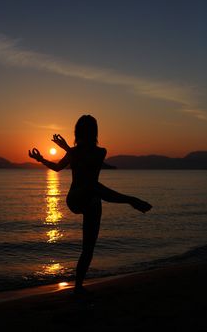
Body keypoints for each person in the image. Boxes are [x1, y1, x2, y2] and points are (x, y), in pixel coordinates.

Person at [29, 115, 152, 294]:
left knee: (88, 246)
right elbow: (58, 168)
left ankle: (78, 286)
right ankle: (130, 200)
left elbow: (87, 167)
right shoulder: (74, 152)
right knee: (93, 187)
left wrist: (67, 149)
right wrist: (41, 159)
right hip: (76, 198)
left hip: (93, 199)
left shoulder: (99, 152)